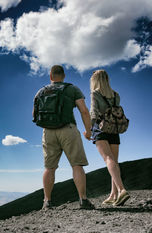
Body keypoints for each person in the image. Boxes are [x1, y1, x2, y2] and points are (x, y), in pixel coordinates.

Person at [33, 65, 94, 210]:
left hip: (47, 132)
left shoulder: (41, 91)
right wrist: (88, 131)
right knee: (76, 165)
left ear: (50, 76)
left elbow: (34, 115)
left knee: (49, 168)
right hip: (68, 129)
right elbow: (84, 111)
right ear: (64, 76)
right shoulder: (72, 89)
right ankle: (83, 200)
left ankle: (47, 202)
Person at [89, 69, 130, 206]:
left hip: (100, 129)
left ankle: (121, 189)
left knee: (108, 159)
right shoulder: (116, 95)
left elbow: (93, 114)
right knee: (114, 162)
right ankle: (113, 195)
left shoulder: (95, 93)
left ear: (95, 80)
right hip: (114, 129)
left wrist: (89, 130)